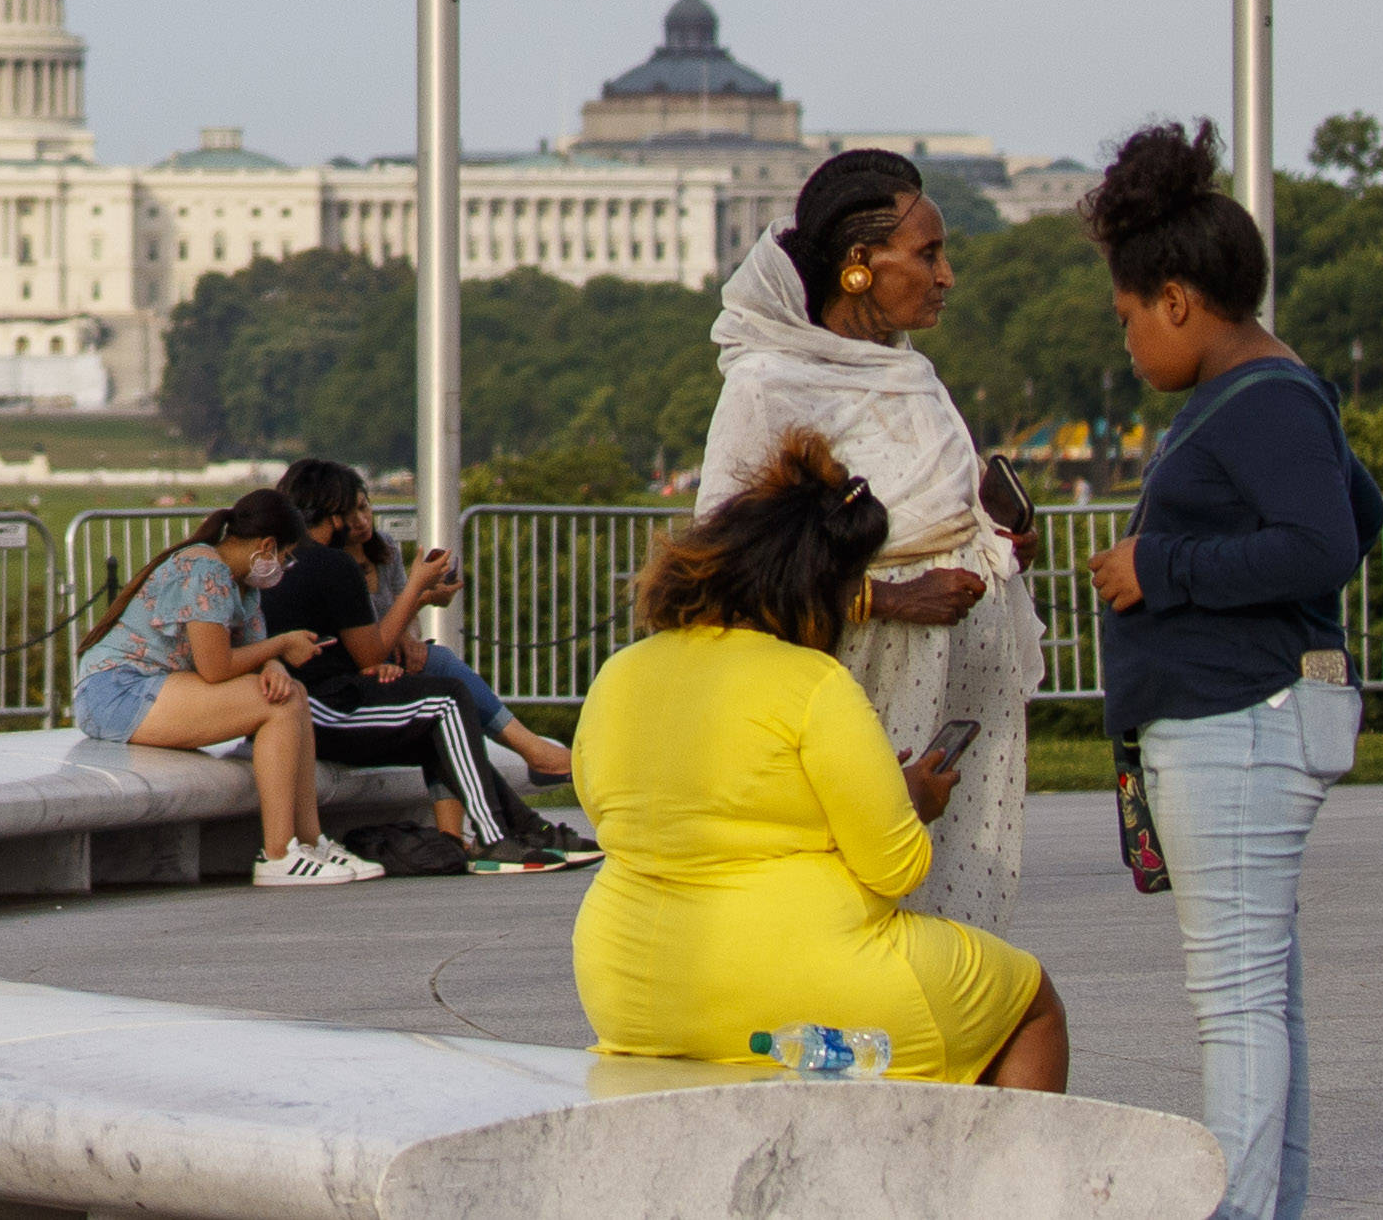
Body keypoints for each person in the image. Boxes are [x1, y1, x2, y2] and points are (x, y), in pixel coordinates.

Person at [1080, 122, 1382, 1220]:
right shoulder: (1275, 388)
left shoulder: (1259, 397)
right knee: (1264, 1006)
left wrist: (1158, 565)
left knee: (1239, 1009)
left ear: (1175, 301)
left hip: (1237, 720)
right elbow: (1358, 510)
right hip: (1243, 718)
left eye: (1126, 323)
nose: (1127, 348)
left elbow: (1321, 545)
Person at [568, 428, 1065, 1088]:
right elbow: (897, 867)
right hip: (806, 983)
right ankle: (999, 1190)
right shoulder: (812, 683)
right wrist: (911, 798)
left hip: (629, 986)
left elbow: (623, 806)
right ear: (815, 587)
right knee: (1031, 1002)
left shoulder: (619, 673)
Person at [698, 146, 1047, 932]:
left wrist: (995, 543)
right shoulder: (768, 384)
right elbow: (721, 572)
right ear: (859, 263)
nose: (946, 274)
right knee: (862, 905)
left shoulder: (907, 369)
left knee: (958, 928)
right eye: (927, 254)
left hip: (961, 701)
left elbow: (933, 513)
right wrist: (892, 597)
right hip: (863, 692)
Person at [266, 460, 591, 869]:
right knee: (447, 698)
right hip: (323, 708)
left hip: (320, 701)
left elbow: (349, 653)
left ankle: (525, 828)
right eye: (351, 511)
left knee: (434, 725)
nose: (358, 521)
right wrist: (417, 588)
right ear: (333, 516)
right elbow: (369, 653)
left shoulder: (287, 561)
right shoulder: (333, 565)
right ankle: (492, 838)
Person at [67, 488, 374, 889]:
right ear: (266, 545)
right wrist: (280, 647)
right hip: (116, 690)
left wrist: (275, 666)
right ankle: (278, 855)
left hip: (157, 684)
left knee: (292, 694)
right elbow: (216, 668)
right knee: (276, 705)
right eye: (285, 556)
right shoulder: (204, 569)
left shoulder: (243, 582)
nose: (284, 565)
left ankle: (312, 842)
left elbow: (251, 651)